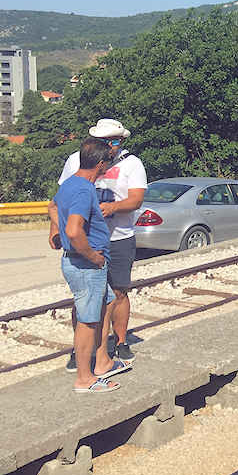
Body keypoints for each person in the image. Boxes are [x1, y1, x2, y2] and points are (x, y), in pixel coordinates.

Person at [50, 118, 147, 370]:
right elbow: (58, 201)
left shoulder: (132, 163)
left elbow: (136, 199)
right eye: (107, 142)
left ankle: (118, 343)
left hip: (118, 238)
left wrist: (113, 207)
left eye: (115, 141)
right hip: (87, 243)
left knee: (117, 293)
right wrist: (55, 229)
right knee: (85, 299)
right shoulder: (77, 162)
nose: (111, 146)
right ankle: (84, 351)